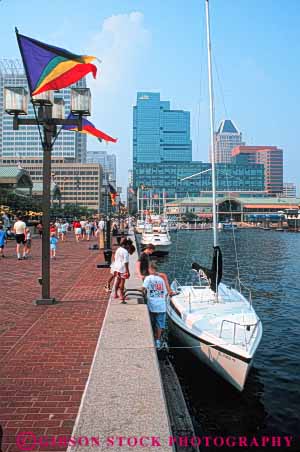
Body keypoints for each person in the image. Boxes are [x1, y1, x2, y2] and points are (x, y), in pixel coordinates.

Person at [143, 262, 167, 349]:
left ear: (150, 269)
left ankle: (152, 336)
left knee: (151, 322)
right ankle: (157, 341)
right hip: (161, 305)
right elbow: (165, 293)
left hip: (152, 305)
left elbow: (143, 288)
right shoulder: (161, 279)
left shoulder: (148, 278)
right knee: (160, 324)